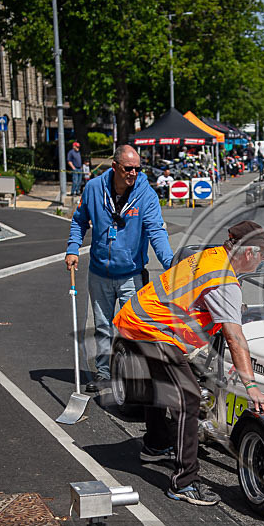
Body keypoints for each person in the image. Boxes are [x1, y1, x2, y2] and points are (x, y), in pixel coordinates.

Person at [113, 220, 264, 506]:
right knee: (188, 399)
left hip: (135, 319)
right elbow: (235, 337)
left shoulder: (211, 255)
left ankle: (155, 444)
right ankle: (184, 483)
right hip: (152, 330)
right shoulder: (224, 281)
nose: (263, 259)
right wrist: (251, 386)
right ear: (249, 253)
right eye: (262, 254)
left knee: (161, 384)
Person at [65, 144, 173, 393]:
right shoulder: (93, 188)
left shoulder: (146, 194)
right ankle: (104, 373)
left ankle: (133, 376)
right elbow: (79, 220)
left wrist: (169, 263)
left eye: (137, 168)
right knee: (103, 327)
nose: (133, 173)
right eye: (128, 169)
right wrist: (73, 248)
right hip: (99, 272)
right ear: (114, 167)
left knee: (133, 327)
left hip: (131, 274)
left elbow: (156, 230)